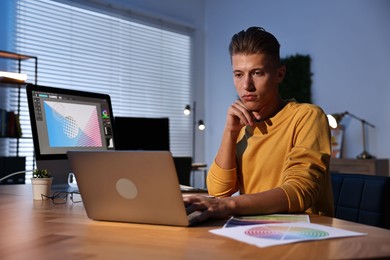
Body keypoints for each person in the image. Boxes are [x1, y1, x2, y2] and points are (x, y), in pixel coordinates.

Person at [184, 26, 333, 222]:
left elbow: (300, 191)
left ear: (279, 74)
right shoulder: (240, 125)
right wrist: (230, 132)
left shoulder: (308, 116)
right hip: (254, 229)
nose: (246, 85)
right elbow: (219, 191)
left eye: (257, 73)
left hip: (306, 235)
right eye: (238, 74)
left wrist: (229, 205)